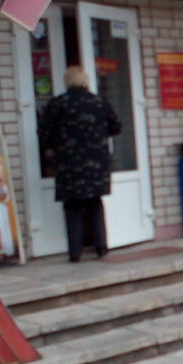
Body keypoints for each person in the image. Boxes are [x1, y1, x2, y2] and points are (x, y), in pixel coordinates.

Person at [38, 65, 122, 262]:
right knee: (95, 202)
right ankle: (101, 247)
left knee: (72, 205)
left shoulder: (58, 104)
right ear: (86, 80)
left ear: (67, 81)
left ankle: (75, 252)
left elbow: (44, 133)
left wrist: (54, 147)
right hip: (96, 162)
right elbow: (116, 127)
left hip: (69, 163)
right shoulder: (99, 102)